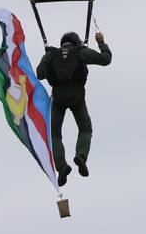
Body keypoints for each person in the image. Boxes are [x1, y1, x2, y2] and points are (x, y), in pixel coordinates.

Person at [36, 30, 112, 186]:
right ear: (76, 42)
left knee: (55, 134)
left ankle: (62, 167)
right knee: (85, 129)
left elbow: (39, 74)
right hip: (77, 97)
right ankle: (81, 156)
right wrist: (101, 42)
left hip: (58, 99)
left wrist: (49, 60)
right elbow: (106, 59)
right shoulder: (81, 52)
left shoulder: (51, 54)